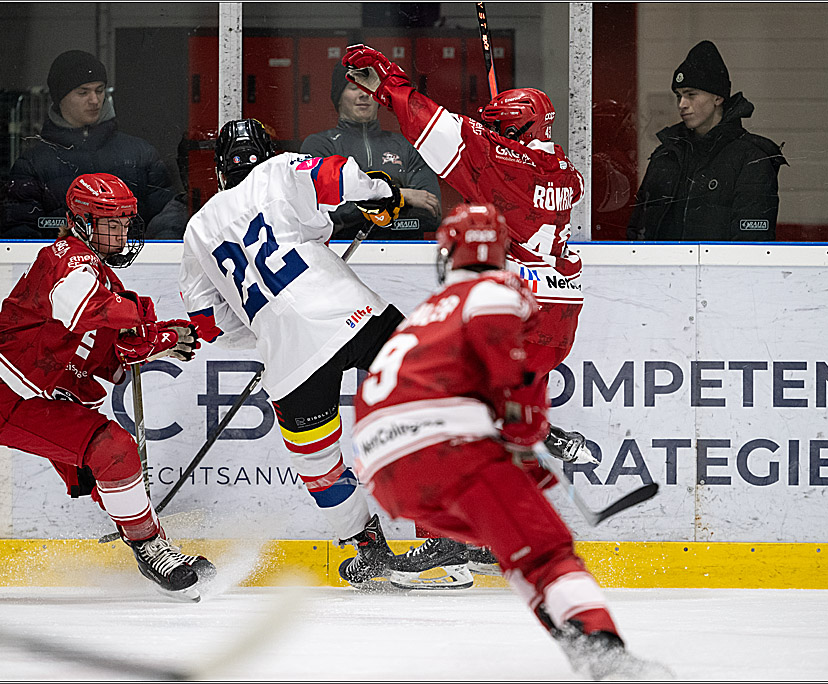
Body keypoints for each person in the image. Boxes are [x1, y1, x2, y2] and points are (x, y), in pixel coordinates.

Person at [351, 203, 671, 679]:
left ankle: (576, 643)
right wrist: (527, 433)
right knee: (547, 553)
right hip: (446, 450)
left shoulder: (427, 314)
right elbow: (513, 382)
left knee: (516, 549)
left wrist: (514, 449)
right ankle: (606, 654)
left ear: (448, 254)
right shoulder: (496, 290)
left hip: (382, 470)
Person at [342, 44, 597, 581]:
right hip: (558, 319)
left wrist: (388, 81)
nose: (495, 134)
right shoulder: (564, 170)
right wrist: (498, 132)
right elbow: (502, 153)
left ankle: (450, 538)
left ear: (520, 128)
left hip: (516, 311)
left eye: (503, 127)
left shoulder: (504, 163)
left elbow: (437, 130)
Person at [178, 119, 458, 589]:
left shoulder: (197, 229)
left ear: (220, 171)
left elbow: (207, 323)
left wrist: (268, 327)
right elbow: (339, 176)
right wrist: (380, 195)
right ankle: (449, 538)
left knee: (319, 464)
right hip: (355, 314)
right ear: (267, 150)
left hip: (289, 359)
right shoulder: (279, 171)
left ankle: (365, 549)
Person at [0, 173, 214, 602]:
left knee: (107, 469)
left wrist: (160, 339)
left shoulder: (98, 272)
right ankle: (150, 548)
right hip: (7, 394)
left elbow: (105, 349)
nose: (122, 232)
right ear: (82, 221)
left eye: (126, 221)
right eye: (111, 222)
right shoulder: (68, 257)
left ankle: (154, 544)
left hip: (37, 395)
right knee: (114, 448)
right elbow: (84, 308)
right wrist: (146, 319)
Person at [1, 50, 182, 240]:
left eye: (99, 90)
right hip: (64, 268)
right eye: (83, 92)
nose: (94, 100)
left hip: (134, 266)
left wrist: (150, 260)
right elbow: (19, 237)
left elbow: (167, 221)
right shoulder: (32, 164)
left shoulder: (141, 154)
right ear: (60, 97)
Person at [626, 40, 788, 241]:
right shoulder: (666, 155)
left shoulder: (751, 158)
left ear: (718, 98)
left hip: (724, 272)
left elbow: (752, 244)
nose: (682, 105)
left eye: (691, 95)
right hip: (662, 272)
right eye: (679, 96)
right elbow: (638, 232)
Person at [300, 62, 442, 240]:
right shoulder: (320, 146)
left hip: (405, 253)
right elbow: (323, 213)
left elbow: (430, 213)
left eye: (369, 89)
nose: (363, 95)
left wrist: (357, 203)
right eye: (353, 88)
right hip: (338, 253)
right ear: (338, 97)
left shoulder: (406, 146)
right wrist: (401, 196)